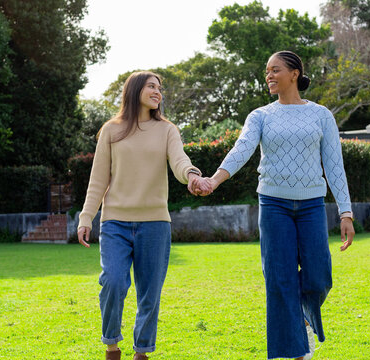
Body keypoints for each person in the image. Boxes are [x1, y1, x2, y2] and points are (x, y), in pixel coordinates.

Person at [192, 51, 355, 360]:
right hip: (274, 204)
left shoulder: (321, 115)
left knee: (319, 277)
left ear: (294, 74)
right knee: (280, 279)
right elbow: (242, 150)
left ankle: (304, 315)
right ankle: (298, 350)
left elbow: (334, 165)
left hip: (311, 206)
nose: (268, 75)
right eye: (266, 71)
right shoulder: (260, 116)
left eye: (275, 70)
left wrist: (345, 211)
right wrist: (214, 180)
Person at [77, 71, 211, 360]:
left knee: (149, 294)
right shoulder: (111, 130)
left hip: (155, 225)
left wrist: (191, 176)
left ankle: (142, 353)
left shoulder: (167, 130)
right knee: (113, 281)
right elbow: (98, 178)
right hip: (115, 223)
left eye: (160, 88)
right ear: (134, 89)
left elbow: (179, 161)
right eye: (151, 86)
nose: (157, 92)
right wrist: (86, 216)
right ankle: (112, 346)